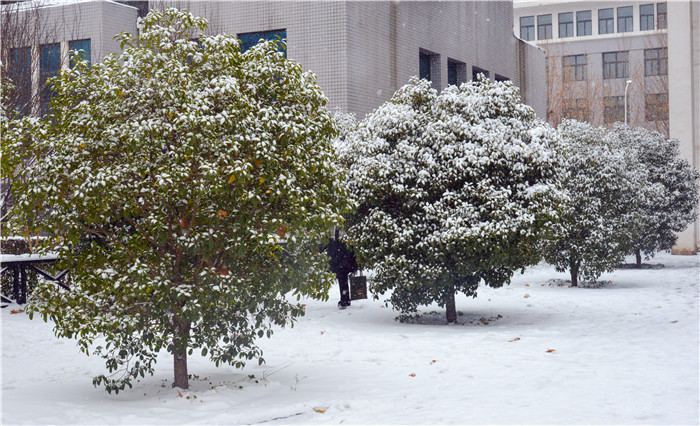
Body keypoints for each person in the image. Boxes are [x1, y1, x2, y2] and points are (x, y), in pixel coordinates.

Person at [320, 230, 358, 308]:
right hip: (342, 256)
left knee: (342, 276)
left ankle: (344, 299)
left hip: (341, 256)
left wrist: (320, 249)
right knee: (342, 277)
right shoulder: (336, 230)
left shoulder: (334, 230)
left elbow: (327, 241)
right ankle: (345, 299)